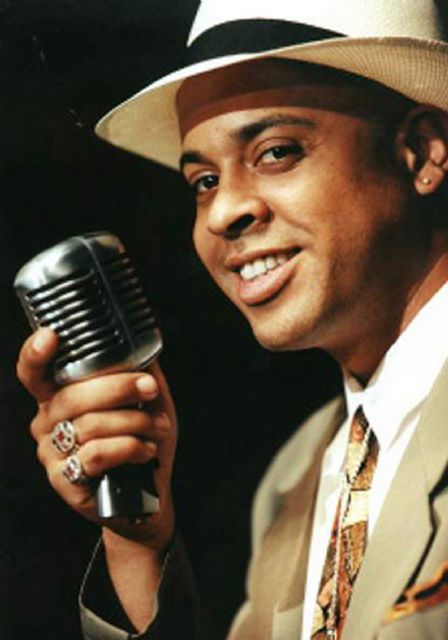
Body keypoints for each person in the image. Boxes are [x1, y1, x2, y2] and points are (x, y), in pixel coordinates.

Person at [16, 2, 448, 639]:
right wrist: (136, 539)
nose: (223, 213)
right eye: (203, 181)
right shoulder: (298, 475)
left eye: (276, 152)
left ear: (422, 152)